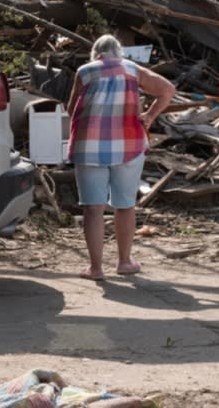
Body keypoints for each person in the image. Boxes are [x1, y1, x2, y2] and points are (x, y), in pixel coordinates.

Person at [66, 35, 175, 280]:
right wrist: (149, 115)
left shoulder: (85, 71)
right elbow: (168, 90)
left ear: (96, 54)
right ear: (119, 53)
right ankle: (125, 262)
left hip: (89, 147)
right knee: (125, 205)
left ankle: (95, 268)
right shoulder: (132, 70)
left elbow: (72, 109)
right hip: (129, 144)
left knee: (93, 208)